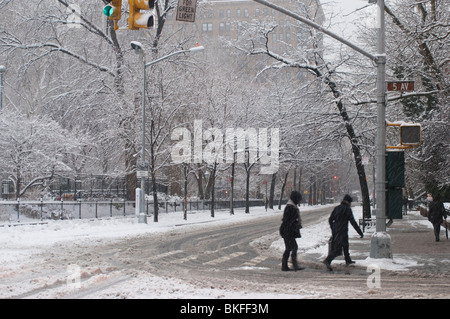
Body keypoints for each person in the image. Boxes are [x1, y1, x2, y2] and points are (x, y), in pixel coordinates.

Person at [323, 194, 364, 271]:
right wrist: (360, 232)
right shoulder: (347, 209)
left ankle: (348, 260)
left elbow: (330, 219)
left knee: (345, 245)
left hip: (337, 230)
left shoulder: (337, 208)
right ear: (348, 202)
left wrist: (333, 228)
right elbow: (353, 222)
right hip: (343, 230)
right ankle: (328, 260)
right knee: (338, 249)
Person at [279, 190, 304, 271]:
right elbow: (288, 221)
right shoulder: (291, 207)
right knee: (292, 247)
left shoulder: (292, 206)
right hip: (287, 231)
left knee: (290, 248)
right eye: (299, 199)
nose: (300, 201)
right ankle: (291, 265)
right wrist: (295, 224)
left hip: (287, 230)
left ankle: (286, 265)